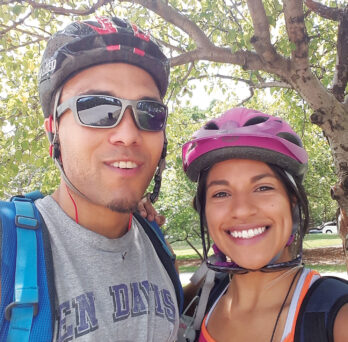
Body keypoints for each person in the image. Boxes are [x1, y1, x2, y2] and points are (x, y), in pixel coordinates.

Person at [0, 16, 182, 341]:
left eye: (149, 113)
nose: (128, 135)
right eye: (97, 108)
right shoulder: (7, 246)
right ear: (53, 131)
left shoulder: (155, 242)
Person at [181, 107, 348, 342]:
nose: (241, 209)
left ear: (292, 201)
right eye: (221, 193)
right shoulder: (200, 299)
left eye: (263, 188)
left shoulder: (338, 317)